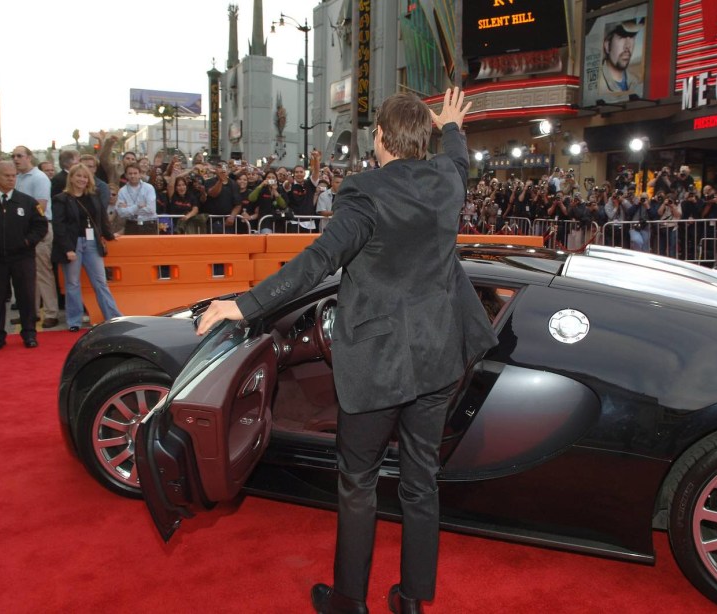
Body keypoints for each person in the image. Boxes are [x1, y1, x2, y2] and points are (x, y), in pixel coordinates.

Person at [196, 88, 498, 614]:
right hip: (437, 356)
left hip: (377, 365)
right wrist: (451, 125)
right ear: (423, 139)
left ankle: (349, 602)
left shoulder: (364, 192)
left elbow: (318, 261)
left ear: (379, 136)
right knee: (421, 483)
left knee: (358, 483)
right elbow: (457, 158)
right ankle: (411, 601)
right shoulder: (447, 180)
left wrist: (243, 306)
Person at [0, 160, 48, 349]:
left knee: (26, 296)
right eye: (7, 176)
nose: (11, 179)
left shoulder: (26, 202)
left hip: (22, 258)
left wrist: (27, 241)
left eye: (13, 176)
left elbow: (40, 225)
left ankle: (29, 333)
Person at [50, 163, 122, 332]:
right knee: (73, 283)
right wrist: (68, 248)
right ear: (71, 178)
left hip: (92, 243)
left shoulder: (94, 196)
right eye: (78, 176)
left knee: (100, 282)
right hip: (73, 243)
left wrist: (110, 235)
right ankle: (74, 321)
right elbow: (58, 226)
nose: (82, 179)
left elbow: (101, 219)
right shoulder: (61, 199)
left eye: (84, 176)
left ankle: (113, 317)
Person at [13, 145, 60, 328]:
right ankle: (30, 313)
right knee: (27, 274)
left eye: (20, 156)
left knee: (42, 272)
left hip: (39, 228)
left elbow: (40, 206)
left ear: (29, 157)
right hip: (23, 229)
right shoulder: (18, 178)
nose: (16, 159)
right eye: (14, 156)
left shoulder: (39, 178)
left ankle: (50, 312)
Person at [597, 19, 644, 101]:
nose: (628, 46)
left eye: (632, 37)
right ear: (607, 45)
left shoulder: (636, 81)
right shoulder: (598, 83)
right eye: (622, 37)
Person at [116, 163, 158, 234]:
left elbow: (151, 210)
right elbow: (121, 213)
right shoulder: (122, 191)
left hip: (148, 225)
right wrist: (137, 206)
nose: (133, 176)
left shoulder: (149, 188)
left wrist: (129, 207)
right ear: (126, 175)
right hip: (131, 225)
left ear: (140, 174)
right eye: (130, 173)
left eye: (135, 173)